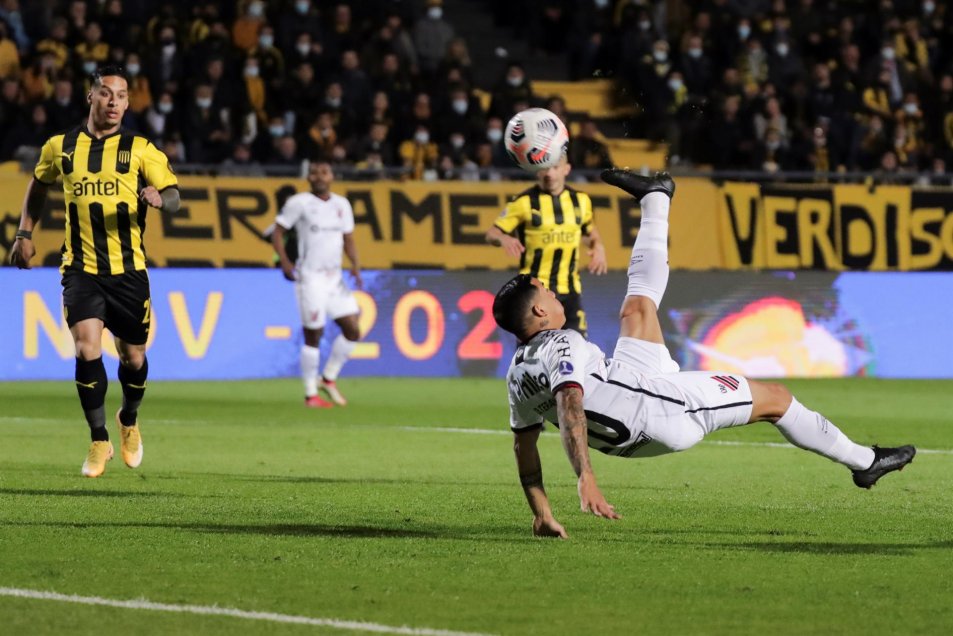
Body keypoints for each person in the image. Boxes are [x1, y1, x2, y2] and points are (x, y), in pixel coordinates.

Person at [492, 169, 916, 539]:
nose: (552, 290)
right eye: (545, 290)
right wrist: (585, 478)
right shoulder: (562, 343)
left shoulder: (516, 374)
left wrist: (543, 514)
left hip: (628, 389)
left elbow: (523, 449)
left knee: (638, 309)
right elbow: (570, 403)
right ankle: (866, 461)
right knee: (777, 399)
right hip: (658, 412)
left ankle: (655, 197)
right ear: (538, 311)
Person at [9, 65, 180, 478]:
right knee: (87, 347)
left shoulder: (141, 148)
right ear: (91, 97)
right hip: (80, 268)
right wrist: (23, 233)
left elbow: (174, 196)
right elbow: (39, 183)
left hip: (129, 271)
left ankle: (129, 419)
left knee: (133, 357)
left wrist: (162, 197)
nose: (114, 102)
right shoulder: (61, 146)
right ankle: (99, 438)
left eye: (122, 95)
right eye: (106, 93)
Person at [270, 160, 363, 408]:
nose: (319, 176)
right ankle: (311, 394)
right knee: (314, 334)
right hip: (310, 277)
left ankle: (329, 378)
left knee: (353, 330)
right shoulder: (298, 203)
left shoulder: (342, 205)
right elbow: (277, 232)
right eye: (314, 173)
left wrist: (355, 264)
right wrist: (285, 262)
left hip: (335, 277)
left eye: (324, 172)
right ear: (308, 178)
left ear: (332, 175)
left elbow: (348, 237)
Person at [485, 155, 607, 338]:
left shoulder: (581, 201)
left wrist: (598, 247)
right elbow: (492, 233)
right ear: (536, 170)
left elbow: (590, 233)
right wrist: (504, 239)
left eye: (555, 167)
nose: (549, 173)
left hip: (570, 291)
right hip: (536, 294)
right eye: (544, 168)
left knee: (580, 350)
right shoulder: (523, 202)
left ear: (566, 169)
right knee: (536, 354)